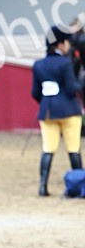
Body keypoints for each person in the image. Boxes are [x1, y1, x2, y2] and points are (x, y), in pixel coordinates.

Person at [31, 27, 83, 195]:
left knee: (48, 149)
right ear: (60, 44)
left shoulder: (38, 65)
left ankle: (42, 187)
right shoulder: (65, 63)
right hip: (69, 111)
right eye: (66, 42)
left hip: (47, 112)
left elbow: (35, 92)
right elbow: (71, 88)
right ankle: (80, 186)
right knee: (73, 149)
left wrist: (46, 103)